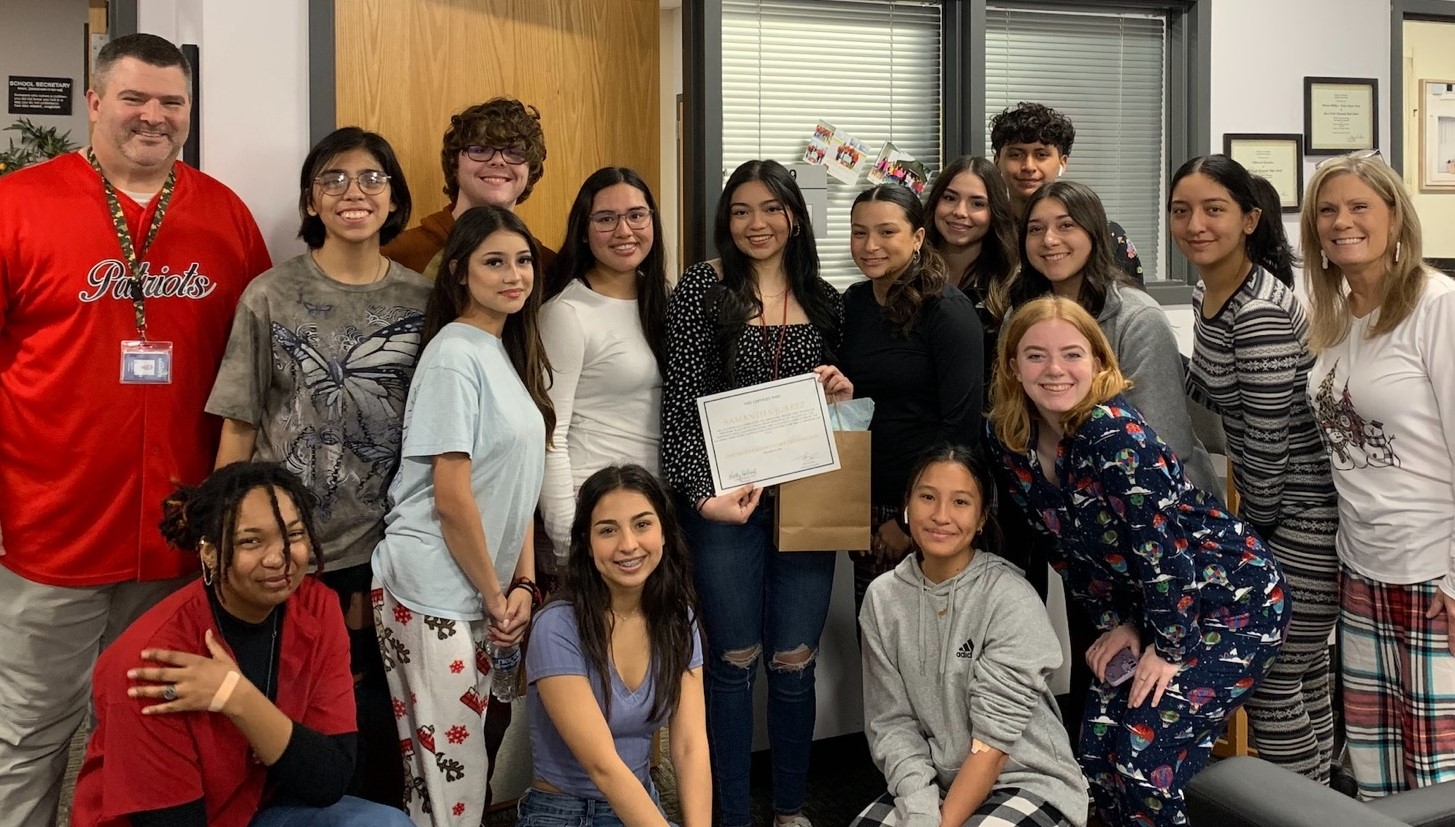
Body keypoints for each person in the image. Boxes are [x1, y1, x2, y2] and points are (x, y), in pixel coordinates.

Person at [0, 33, 271, 826]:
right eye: (134, 98)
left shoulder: (224, 214)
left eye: (171, 102)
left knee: (153, 731)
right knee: (29, 731)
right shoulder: (19, 203)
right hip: (50, 530)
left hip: (181, 535)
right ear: (93, 102)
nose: (153, 116)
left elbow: (253, 375)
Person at [986, 295, 1290, 826]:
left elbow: (1165, 553)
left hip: (1232, 603)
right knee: (1098, 753)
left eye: (1072, 355)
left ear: (1100, 362)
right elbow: (1067, 553)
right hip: (1151, 610)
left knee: (1145, 760)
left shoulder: (1113, 434)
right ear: (1013, 365)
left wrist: (1169, 647)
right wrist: (1121, 625)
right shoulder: (1010, 441)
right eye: (1035, 356)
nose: (1055, 370)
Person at [206, 126, 431, 803]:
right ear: (310, 201)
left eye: (370, 178)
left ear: (393, 199)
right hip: (289, 551)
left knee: (378, 716)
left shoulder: (422, 302)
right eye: (332, 179)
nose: (352, 192)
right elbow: (239, 422)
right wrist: (219, 532)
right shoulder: (268, 295)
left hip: (389, 549)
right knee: (289, 721)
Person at [661, 159, 851, 827]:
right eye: (740, 210)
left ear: (794, 216)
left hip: (808, 503)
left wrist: (840, 389)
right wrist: (698, 493)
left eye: (770, 208)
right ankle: (731, 813)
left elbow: (837, 411)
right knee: (732, 661)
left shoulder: (827, 299)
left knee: (794, 660)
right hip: (723, 506)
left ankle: (792, 808)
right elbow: (681, 405)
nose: (756, 223)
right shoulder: (700, 289)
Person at [69, 462, 413, 827]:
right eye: (251, 541)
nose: (278, 558)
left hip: (255, 807)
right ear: (209, 552)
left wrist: (237, 698)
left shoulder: (317, 609)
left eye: (293, 535)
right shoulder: (149, 662)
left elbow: (329, 779)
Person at [371, 205, 554, 825]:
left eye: (523, 260)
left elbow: (517, 486)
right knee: (450, 777)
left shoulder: (502, 351)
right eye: (494, 261)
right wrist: (493, 594)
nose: (514, 274)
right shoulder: (455, 353)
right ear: (458, 273)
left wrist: (522, 584)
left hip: (477, 590)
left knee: (455, 770)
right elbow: (451, 498)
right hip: (432, 587)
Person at [1171, 154, 1340, 783]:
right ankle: (1330, 808)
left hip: (1299, 515)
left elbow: (1266, 447)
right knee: (1304, 672)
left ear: (1249, 219)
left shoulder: (1259, 311)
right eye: (1182, 210)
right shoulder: (1210, 290)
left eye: (1214, 210)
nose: (1195, 224)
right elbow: (1225, 398)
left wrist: (1250, 533)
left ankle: (1302, 811)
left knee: (1270, 681)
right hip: (1280, 510)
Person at [1301, 153, 1455, 798]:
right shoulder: (1334, 317)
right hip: (1362, 565)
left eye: (1360, 206)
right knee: (1376, 764)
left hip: (1433, 571)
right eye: (1327, 210)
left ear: (1395, 217)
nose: (1342, 222)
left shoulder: (1438, 307)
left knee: (1441, 773)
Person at [851, 446, 1088, 827]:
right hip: (938, 781)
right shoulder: (882, 598)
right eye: (927, 497)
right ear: (907, 506)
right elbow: (891, 725)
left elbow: (991, 747)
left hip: (1025, 779)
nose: (941, 516)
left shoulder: (1009, 596)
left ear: (981, 519)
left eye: (960, 502)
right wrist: (921, 811)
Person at [520, 464, 710, 827]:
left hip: (642, 802)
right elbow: (602, 766)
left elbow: (689, 745)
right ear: (587, 544)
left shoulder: (676, 617)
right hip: (563, 813)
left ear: (665, 532)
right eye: (608, 530)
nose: (628, 545)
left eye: (642, 524)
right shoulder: (556, 626)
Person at [839, 183, 985, 612]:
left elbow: (960, 428)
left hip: (928, 506)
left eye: (886, 232)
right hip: (867, 502)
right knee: (879, 638)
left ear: (918, 238)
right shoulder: (854, 303)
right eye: (858, 233)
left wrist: (907, 519)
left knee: (933, 643)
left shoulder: (947, 311)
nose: (870, 246)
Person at [538, 168, 668, 557]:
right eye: (606, 219)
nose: (624, 230)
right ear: (583, 229)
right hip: (594, 512)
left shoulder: (662, 295)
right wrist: (567, 540)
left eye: (636, 215)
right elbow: (550, 435)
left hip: (653, 511)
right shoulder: (567, 312)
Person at [382, 97, 556, 278]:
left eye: (514, 152)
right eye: (480, 150)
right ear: (454, 164)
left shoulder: (548, 267)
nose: (498, 161)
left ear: (530, 170)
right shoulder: (397, 257)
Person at [989, 102, 1143, 282]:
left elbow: (1132, 304)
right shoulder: (987, 233)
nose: (1028, 166)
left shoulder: (1106, 235)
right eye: (1016, 155)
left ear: (1062, 163)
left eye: (1041, 155)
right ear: (997, 162)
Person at [921, 155, 1019, 392]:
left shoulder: (1010, 283)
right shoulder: (909, 276)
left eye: (977, 203)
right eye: (950, 198)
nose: (959, 212)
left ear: (995, 212)